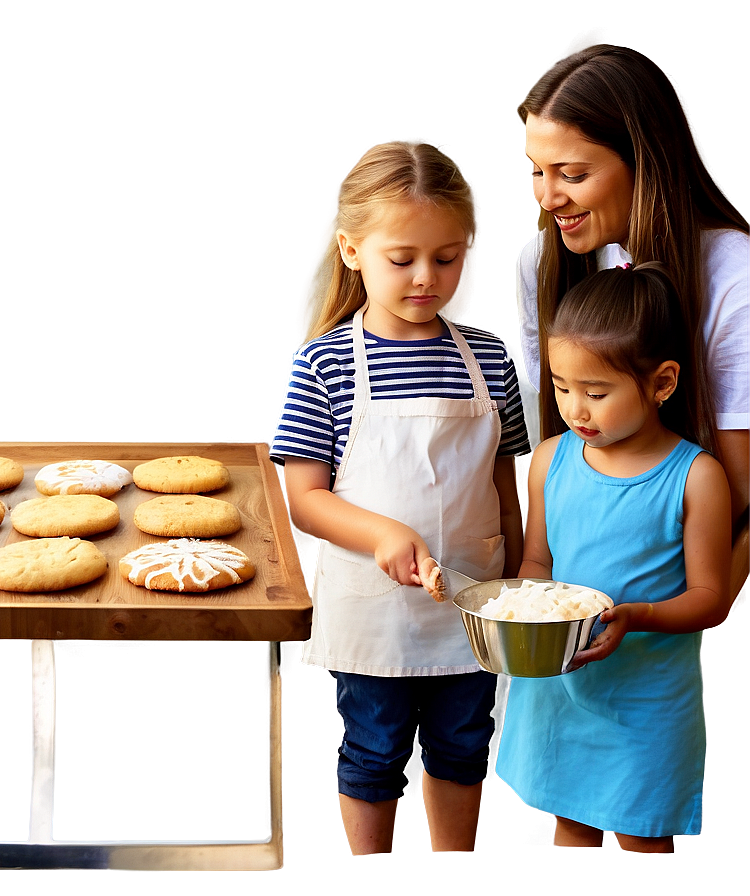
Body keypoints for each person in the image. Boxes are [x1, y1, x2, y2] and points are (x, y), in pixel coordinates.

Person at [270, 142, 531, 854]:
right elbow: (304, 497)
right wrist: (383, 534)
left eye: (447, 257)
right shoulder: (323, 361)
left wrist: (527, 566)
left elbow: (505, 481)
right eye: (402, 258)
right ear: (352, 251)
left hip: (474, 605)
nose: (426, 277)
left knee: (463, 744)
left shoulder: (490, 356)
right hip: (375, 612)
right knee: (376, 751)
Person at [495, 263, 732, 854]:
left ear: (661, 383)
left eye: (596, 393)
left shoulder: (696, 478)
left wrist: (635, 616)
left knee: (641, 840)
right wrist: (521, 619)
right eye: (562, 386)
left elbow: (711, 599)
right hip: (560, 688)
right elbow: (537, 567)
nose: (576, 409)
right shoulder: (549, 461)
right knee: (569, 827)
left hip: (646, 699)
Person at [514, 43, 748, 541]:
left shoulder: (735, 274)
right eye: (538, 170)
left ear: (645, 163)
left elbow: (739, 485)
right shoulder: (539, 261)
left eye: (573, 175)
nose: (547, 197)